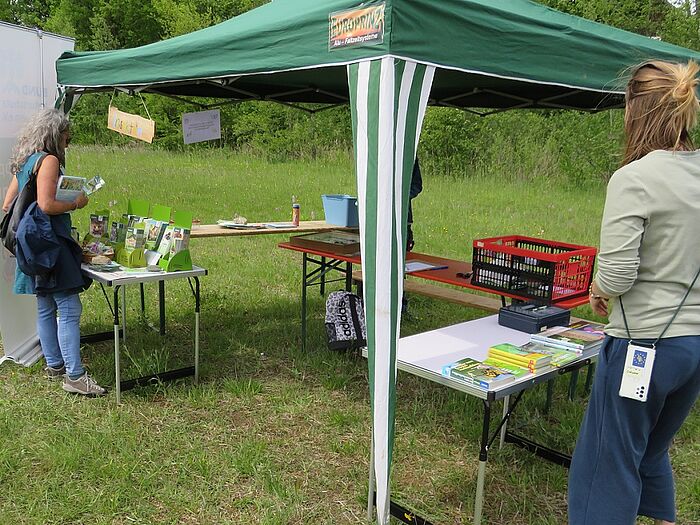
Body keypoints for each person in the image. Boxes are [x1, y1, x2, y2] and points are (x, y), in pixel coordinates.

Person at [568, 61, 700, 525]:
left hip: (644, 344)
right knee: (650, 452)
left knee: (606, 466)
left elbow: (619, 272)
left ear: (634, 111)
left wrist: (598, 289)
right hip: (694, 349)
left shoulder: (635, 178)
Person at [2, 108, 106, 396]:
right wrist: (76, 203)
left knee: (45, 305)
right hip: (51, 243)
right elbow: (47, 205)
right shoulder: (48, 161)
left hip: (32, 245)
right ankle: (75, 375)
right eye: (66, 138)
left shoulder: (26, 161)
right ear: (55, 135)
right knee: (69, 309)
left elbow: (7, 205)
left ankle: (54, 366)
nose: (68, 144)